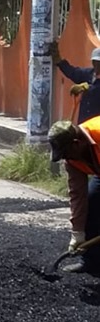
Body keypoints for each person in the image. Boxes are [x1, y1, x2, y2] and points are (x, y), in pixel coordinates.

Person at [48, 117, 100, 274]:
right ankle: (93, 263)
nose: (65, 158)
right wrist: (78, 233)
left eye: (66, 153)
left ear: (77, 143)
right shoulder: (72, 159)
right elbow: (78, 195)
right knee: (91, 201)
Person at [49, 42, 100, 123]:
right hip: (84, 123)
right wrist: (59, 60)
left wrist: (86, 88)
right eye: (95, 62)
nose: (97, 65)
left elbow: (97, 90)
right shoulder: (88, 74)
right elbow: (73, 72)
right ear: (93, 63)